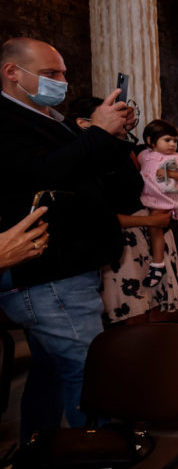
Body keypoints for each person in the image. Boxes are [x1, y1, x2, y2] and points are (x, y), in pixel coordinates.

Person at [0, 37, 128, 442]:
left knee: (51, 370)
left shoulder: (53, 119)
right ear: (12, 72)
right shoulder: (7, 120)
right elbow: (39, 172)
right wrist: (97, 135)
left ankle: (41, 454)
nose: (62, 81)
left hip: (67, 266)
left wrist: (110, 137)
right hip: (50, 268)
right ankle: (103, 466)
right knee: (89, 372)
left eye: (63, 74)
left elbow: (99, 179)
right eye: (51, 73)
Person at [65, 97, 178, 323]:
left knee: (156, 316)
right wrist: (150, 222)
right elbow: (95, 213)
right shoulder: (84, 159)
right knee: (132, 317)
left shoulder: (122, 151)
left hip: (146, 235)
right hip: (121, 240)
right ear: (84, 123)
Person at [137, 119, 178, 288]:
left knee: (155, 228)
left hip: (166, 200)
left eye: (175, 141)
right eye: (167, 140)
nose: (172, 144)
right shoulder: (144, 155)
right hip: (148, 198)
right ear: (149, 141)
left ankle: (157, 265)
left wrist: (171, 173)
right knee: (152, 229)